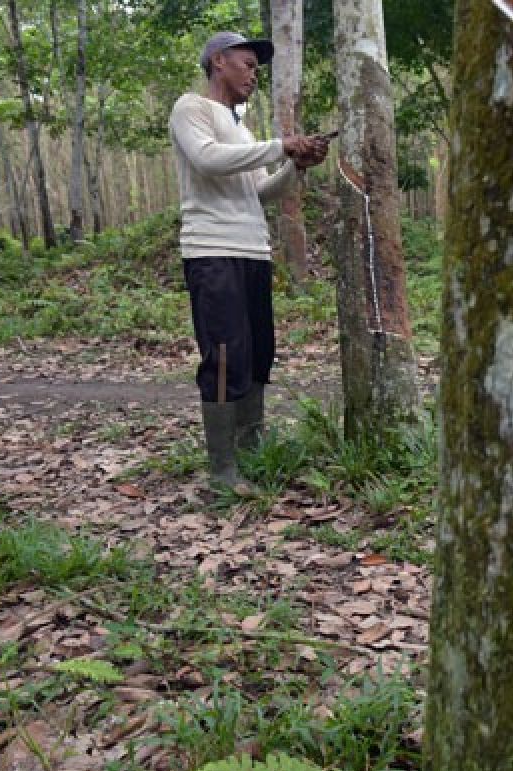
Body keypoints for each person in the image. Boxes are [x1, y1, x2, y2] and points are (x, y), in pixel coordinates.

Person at [169, 31, 330, 493]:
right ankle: (222, 471)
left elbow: (261, 191)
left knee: (257, 352)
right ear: (219, 61)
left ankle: (252, 449)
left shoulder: (240, 127)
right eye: (247, 64)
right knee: (224, 356)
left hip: (252, 251)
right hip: (212, 250)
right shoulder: (191, 109)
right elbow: (207, 160)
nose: (253, 75)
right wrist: (282, 145)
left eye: (257, 69)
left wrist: (297, 166)